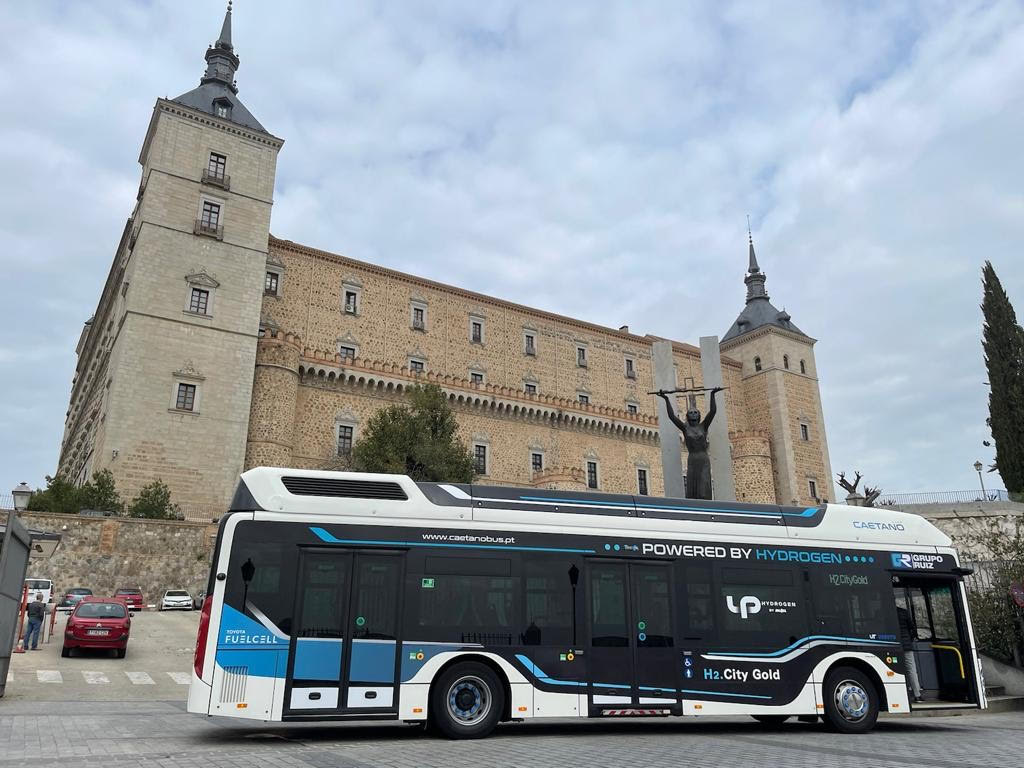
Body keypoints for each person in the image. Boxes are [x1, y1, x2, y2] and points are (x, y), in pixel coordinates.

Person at [897, 605, 923, 702]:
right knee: (911, 669)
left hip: (893, 646)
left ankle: (902, 694)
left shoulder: (885, 612)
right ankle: (917, 695)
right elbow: (912, 628)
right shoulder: (904, 612)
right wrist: (910, 639)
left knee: (897, 670)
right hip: (907, 646)